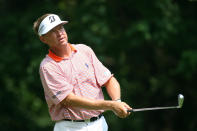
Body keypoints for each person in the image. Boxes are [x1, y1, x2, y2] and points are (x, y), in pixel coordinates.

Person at [33, 13, 132, 131]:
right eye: (53, 31)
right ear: (43, 38)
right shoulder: (48, 66)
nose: (59, 33)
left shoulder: (84, 50)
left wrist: (117, 102)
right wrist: (111, 105)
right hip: (70, 127)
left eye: (60, 28)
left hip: (99, 124)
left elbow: (108, 80)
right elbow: (69, 100)